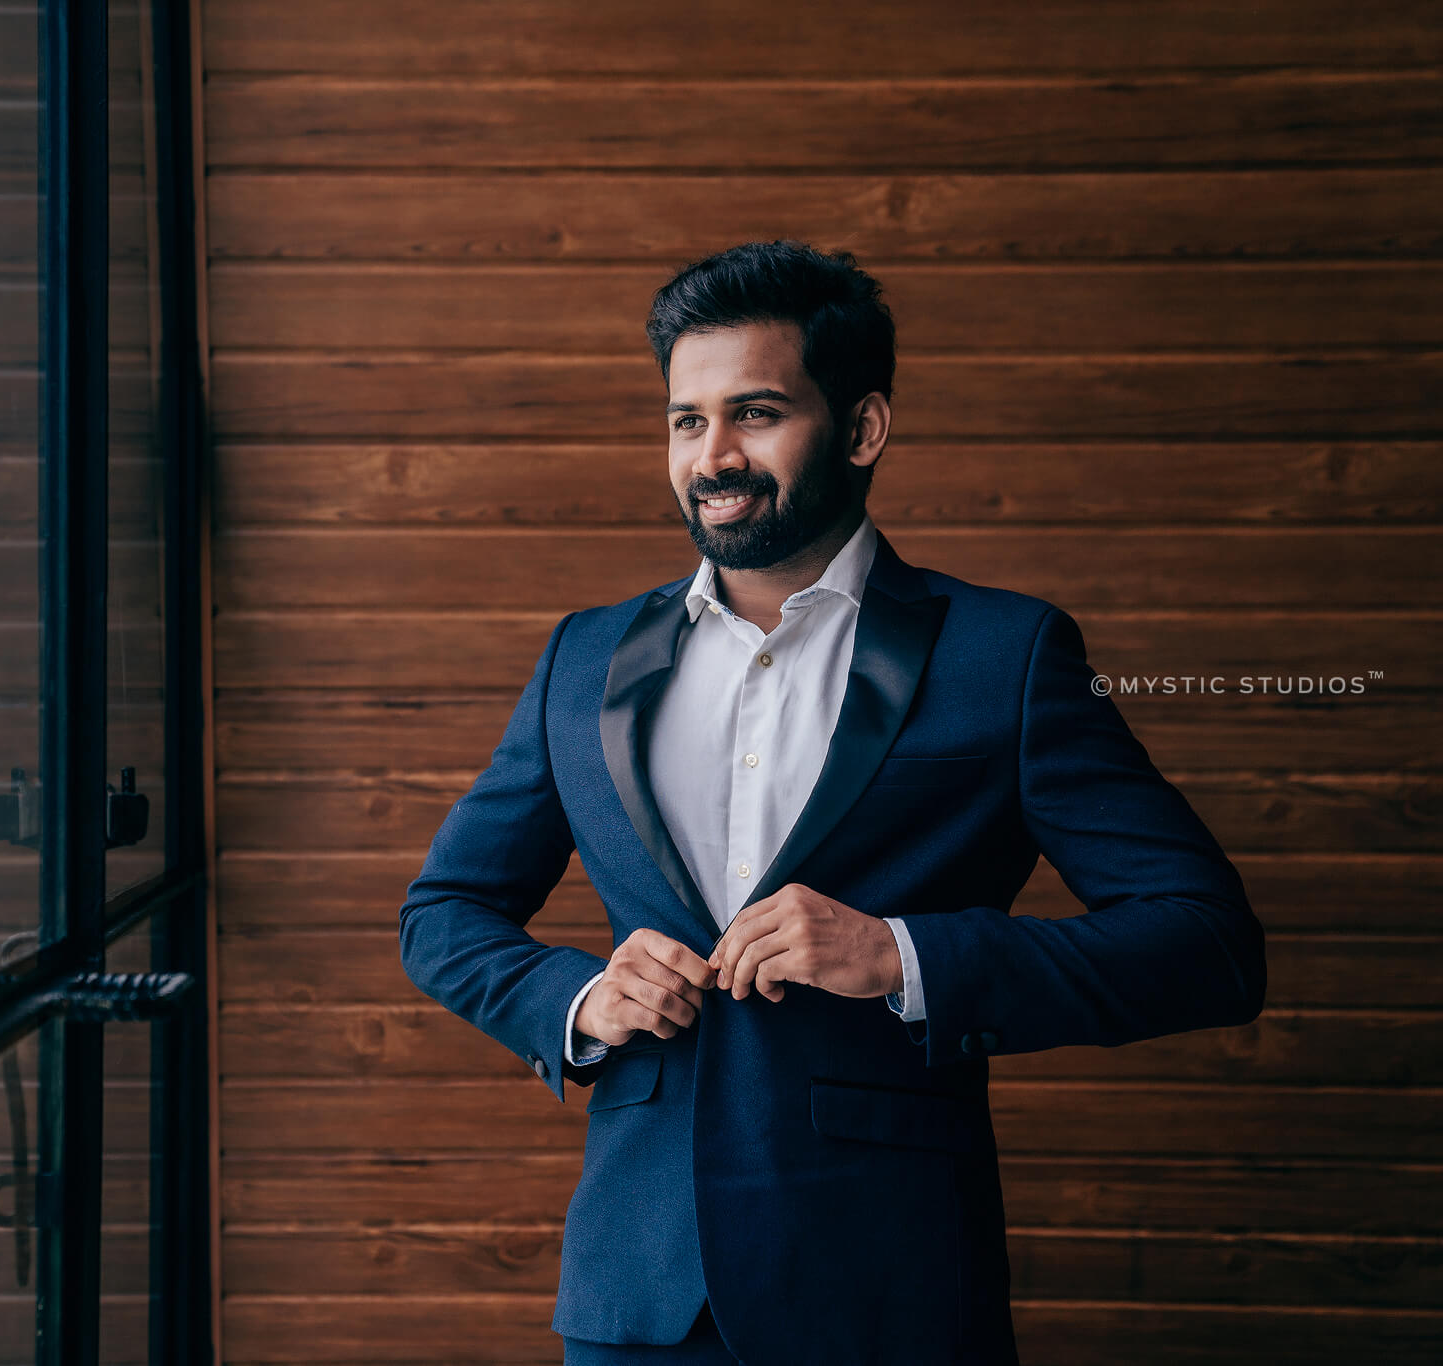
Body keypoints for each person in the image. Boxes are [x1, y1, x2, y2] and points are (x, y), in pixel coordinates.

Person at [397, 240, 1266, 1365]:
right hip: (638, 1296)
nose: (712, 456)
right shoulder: (583, 658)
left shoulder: (1005, 655)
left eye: (754, 413)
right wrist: (578, 998)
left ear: (860, 429)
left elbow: (1207, 944)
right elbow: (443, 912)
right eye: (683, 420)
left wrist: (903, 957)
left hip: (888, 1290)